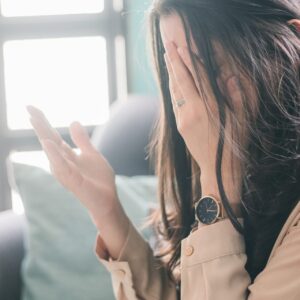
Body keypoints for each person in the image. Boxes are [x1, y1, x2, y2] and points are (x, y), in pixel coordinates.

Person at [27, 0, 300, 299]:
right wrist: (107, 211)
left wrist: (218, 183)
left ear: (289, 46)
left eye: (206, 68)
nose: (192, 102)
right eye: (178, 75)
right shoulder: (236, 165)